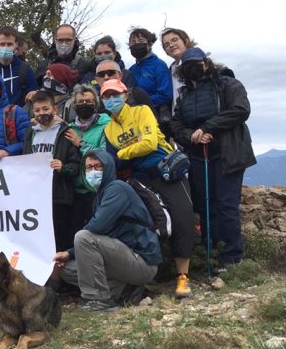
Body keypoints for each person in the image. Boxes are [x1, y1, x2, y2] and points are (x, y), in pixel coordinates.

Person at [100, 79, 195, 298]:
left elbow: (151, 143)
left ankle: (183, 278)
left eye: (115, 94)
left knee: (183, 217)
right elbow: (114, 161)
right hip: (140, 179)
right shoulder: (108, 130)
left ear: (125, 95)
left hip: (167, 171)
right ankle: (148, 275)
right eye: (106, 96)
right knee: (145, 224)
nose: (111, 99)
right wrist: (134, 148)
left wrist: (125, 152)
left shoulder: (141, 111)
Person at [169, 48, 255, 271]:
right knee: (206, 206)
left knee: (226, 205)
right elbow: (176, 125)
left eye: (196, 63)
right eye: (186, 66)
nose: (192, 69)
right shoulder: (185, 94)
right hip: (198, 157)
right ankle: (213, 255)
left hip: (228, 154)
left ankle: (232, 259)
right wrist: (192, 136)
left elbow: (240, 110)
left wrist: (207, 128)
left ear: (206, 63)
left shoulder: (227, 84)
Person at [53, 151, 162, 312]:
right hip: (122, 259)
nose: (93, 171)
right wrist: (69, 255)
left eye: (98, 166)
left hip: (142, 261)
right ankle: (124, 290)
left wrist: (69, 252)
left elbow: (97, 226)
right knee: (65, 268)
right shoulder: (100, 194)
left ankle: (101, 300)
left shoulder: (117, 188)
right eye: (89, 168)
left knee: (83, 237)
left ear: (108, 168)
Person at [23, 91, 81, 252]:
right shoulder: (30, 133)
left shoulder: (65, 132)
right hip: (35, 196)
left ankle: (60, 276)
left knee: (59, 240)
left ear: (55, 109)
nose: (42, 113)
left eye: (45, 108)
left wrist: (63, 167)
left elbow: (76, 166)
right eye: (37, 110)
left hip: (59, 196)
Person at [66, 85, 112, 220]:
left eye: (89, 101)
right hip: (75, 190)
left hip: (97, 189)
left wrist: (80, 143)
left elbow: (104, 155)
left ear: (96, 104)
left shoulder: (106, 125)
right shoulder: (69, 129)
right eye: (80, 102)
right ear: (74, 105)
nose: (84, 104)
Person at [127, 27, 172, 116]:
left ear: (150, 44)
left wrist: (142, 103)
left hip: (155, 115)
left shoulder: (159, 65)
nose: (137, 45)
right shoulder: (131, 70)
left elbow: (166, 95)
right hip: (134, 116)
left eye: (141, 41)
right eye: (133, 42)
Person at [160, 28, 198, 113]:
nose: (171, 45)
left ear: (186, 41)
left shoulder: (201, 63)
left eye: (174, 40)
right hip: (177, 121)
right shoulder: (169, 71)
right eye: (166, 45)